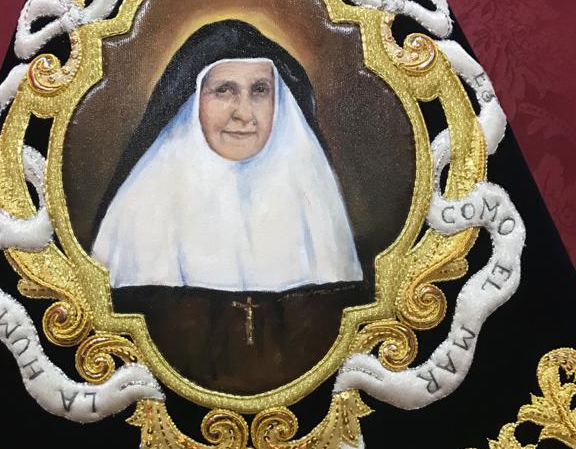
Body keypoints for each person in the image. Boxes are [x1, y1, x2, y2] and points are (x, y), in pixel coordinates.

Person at [89, 21, 370, 393]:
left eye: (260, 90)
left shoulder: (314, 201)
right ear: (193, 98)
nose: (244, 114)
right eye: (224, 90)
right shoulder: (138, 211)